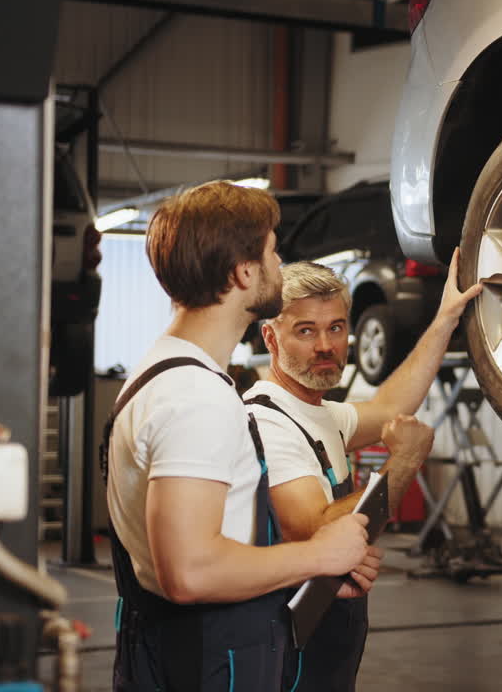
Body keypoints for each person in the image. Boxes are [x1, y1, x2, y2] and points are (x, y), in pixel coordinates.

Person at [103, 181, 383, 692]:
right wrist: (319, 556)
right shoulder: (196, 398)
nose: (280, 265)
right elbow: (188, 571)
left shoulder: (162, 372)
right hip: (206, 662)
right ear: (243, 271)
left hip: (182, 650)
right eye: (274, 252)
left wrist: (306, 577)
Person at [246, 251, 482, 691]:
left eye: (335, 328)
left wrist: (447, 317)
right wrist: (405, 462)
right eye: (305, 331)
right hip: (287, 660)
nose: (325, 346)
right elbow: (316, 533)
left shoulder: (322, 414)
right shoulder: (269, 422)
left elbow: (390, 406)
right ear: (270, 338)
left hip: (328, 650)